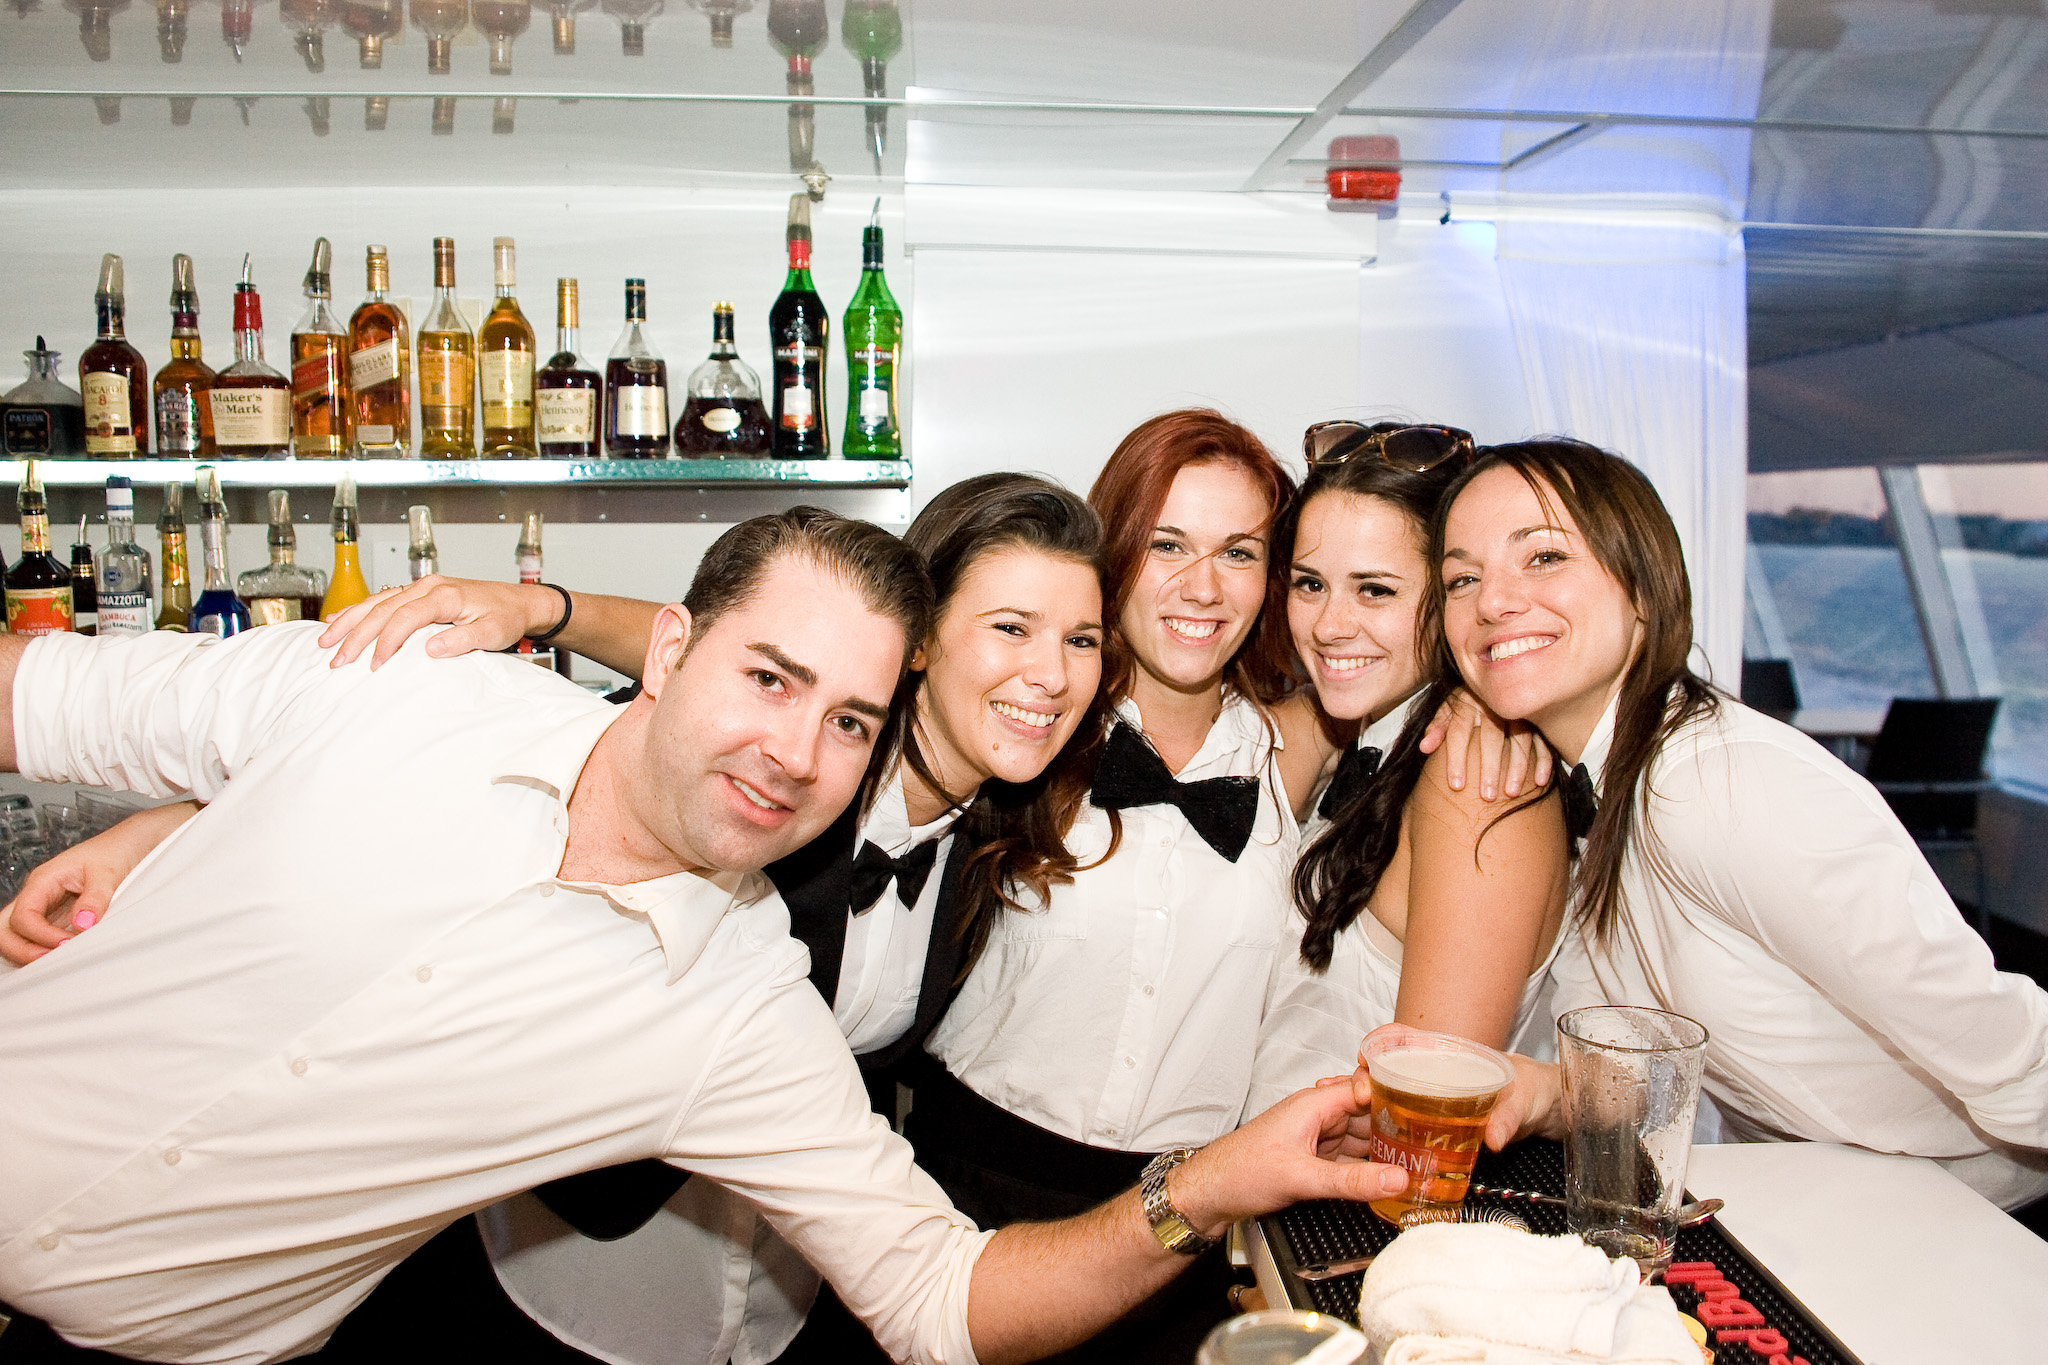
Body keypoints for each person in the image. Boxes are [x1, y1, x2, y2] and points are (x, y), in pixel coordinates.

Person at [0, 507, 1408, 1365]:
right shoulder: (403, 685)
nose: (795, 750)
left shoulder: (745, 998)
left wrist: (1214, 1182)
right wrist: (181, 823)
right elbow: (43, 693)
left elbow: (938, 1296)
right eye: (767, 677)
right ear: (667, 653)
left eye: (848, 719)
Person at [1430, 439, 2048, 1210]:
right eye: (1463, 577)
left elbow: (2016, 1052)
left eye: (1544, 556)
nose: (1493, 601)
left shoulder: (1713, 786)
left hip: (1986, 1219)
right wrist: (1547, 1092)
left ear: (1645, 589)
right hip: (1839, 1212)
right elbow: (1648, 1078)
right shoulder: (1594, 792)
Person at [1245, 422, 1570, 1121]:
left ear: (1455, 596)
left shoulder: (1477, 783)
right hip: (1273, 1202)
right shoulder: (1363, 736)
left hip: (1354, 1217)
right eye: (1310, 583)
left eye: (1376, 590)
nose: (1330, 625)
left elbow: (1426, 1122)